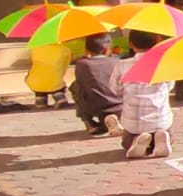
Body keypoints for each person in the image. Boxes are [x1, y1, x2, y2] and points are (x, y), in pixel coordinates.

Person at [115, 31, 173, 159]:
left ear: (131, 44)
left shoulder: (122, 65)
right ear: (157, 42)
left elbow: (115, 88)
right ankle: (158, 138)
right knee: (166, 129)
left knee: (126, 142)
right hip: (160, 119)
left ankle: (137, 140)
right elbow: (169, 86)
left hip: (133, 121)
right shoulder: (163, 63)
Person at [71, 33, 123, 137]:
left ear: (87, 50)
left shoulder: (82, 64)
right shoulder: (116, 61)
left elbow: (81, 84)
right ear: (106, 49)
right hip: (119, 105)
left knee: (75, 87)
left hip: (94, 106)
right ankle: (114, 120)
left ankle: (88, 121)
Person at [27, 43, 72, 108]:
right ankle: (60, 97)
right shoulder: (65, 49)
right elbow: (65, 66)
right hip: (55, 82)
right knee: (56, 84)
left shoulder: (35, 48)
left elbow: (31, 64)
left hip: (36, 83)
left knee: (38, 84)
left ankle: (40, 100)